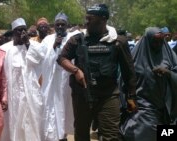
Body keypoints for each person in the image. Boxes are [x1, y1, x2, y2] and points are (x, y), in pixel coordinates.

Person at [57, 4, 137, 141]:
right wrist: (75, 70)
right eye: (86, 18)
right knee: (81, 134)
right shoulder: (77, 39)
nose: (86, 22)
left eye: (90, 19)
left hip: (108, 95)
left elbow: (128, 71)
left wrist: (131, 96)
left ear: (103, 19)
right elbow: (61, 58)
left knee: (111, 136)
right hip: (82, 95)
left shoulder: (118, 41)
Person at [120, 27, 177, 141]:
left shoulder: (170, 57)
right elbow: (124, 85)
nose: (158, 44)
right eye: (155, 41)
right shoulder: (134, 60)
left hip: (166, 108)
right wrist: (130, 107)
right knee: (143, 134)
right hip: (142, 108)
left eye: (161, 41)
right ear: (147, 41)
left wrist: (168, 73)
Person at [39, 12, 81, 141]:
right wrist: (54, 47)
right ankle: (53, 136)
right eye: (58, 25)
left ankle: (63, 135)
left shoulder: (73, 38)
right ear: (54, 26)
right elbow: (42, 58)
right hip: (52, 81)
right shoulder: (48, 39)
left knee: (66, 108)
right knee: (51, 107)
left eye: (63, 24)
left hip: (67, 81)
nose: (60, 27)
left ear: (67, 25)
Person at [0, 18, 43, 141]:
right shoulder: (4, 49)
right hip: (12, 94)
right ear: (13, 32)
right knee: (12, 121)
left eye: (25, 30)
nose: (23, 33)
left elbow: (38, 60)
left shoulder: (34, 46)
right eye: (19, 30)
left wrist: (28, 44)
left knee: (30, 121)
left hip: (30, 92)